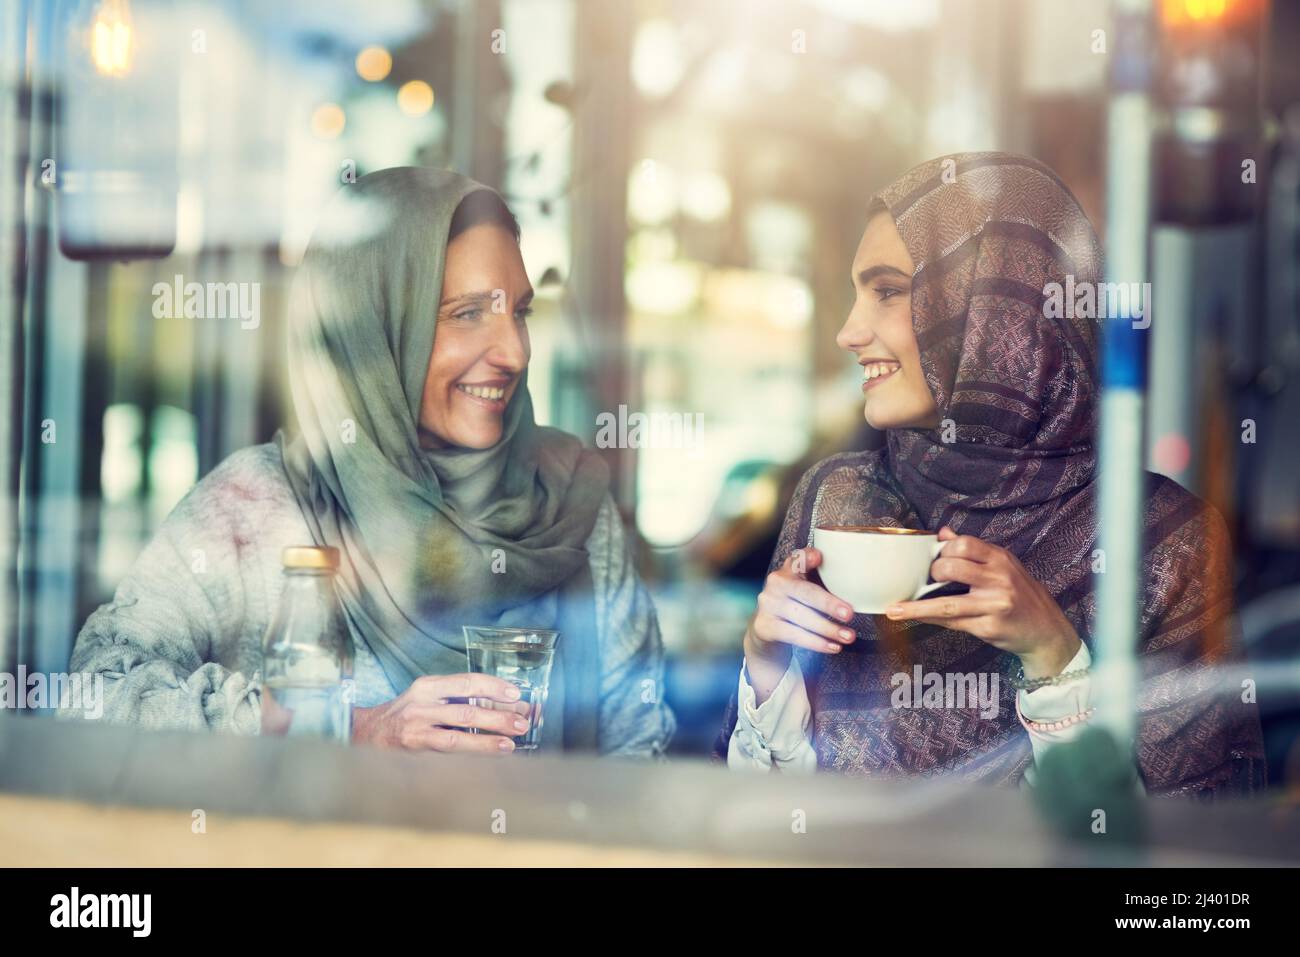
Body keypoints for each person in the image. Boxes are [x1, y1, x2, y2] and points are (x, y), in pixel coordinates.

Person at [65, 167, 674, 758]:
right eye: (467, 314)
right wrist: (344, 732)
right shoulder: (260, 503)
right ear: (375, 328)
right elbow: (97, 696)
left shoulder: (568, 501)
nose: (513, 351)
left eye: (519, 311)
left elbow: (636, 754)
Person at [720, 151, 1266, 796]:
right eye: (855, 293)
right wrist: (767, 666)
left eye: (888, 291)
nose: (848, 331)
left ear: (998, 312)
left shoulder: (1160, 537)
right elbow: (765, 816)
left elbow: (1183, 854)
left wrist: (1055, 660)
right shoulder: (839, 496)